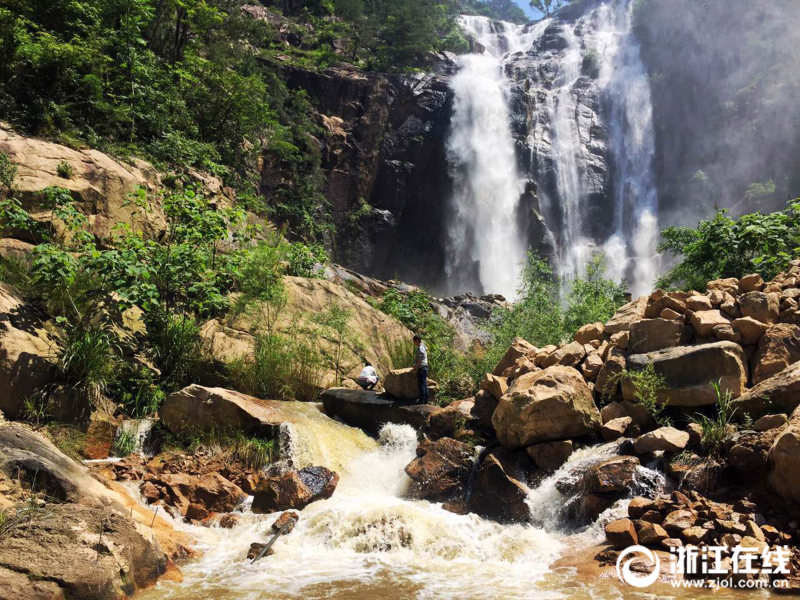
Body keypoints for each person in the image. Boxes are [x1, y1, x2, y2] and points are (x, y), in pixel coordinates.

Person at [413, 335, 429, 404]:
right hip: (425, 367)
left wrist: (416, 367)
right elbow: (427, 348)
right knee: (424, 384)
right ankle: (426, 399)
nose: (413, 342)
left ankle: (422, 400)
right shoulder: (423, 346)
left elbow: (420, 359)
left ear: (417, 340)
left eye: (414, 341)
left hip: (421, 368)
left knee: (421, 384)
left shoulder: (420, 348)